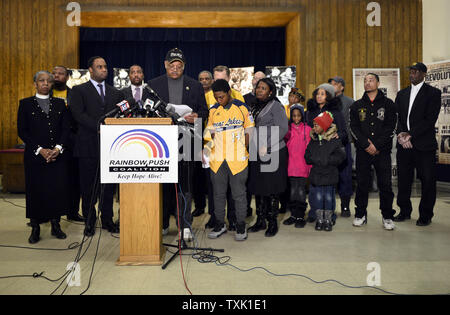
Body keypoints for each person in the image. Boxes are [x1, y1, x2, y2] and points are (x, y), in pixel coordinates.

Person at [147, 48, 208, 240]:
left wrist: (196, 116)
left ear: (184, 66)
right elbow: (147, 112)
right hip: (160, 143)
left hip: (187, 141)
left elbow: (204, 112)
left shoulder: (195, 86)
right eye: (171, 66)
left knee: (185, 185)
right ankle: (163, 223)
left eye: (179, 66)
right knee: (163, 184)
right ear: (165, 65)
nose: (175, 69)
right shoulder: (153, 85)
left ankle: (185, 225)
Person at [69, 56, 124, 237]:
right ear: (91, 70)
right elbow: (78, 114)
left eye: (105, 67)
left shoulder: (115, 93)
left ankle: (107, 220)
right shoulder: (78, 90)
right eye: (99, 67)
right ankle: (90, 222)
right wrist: (99, 127)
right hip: (87, 146)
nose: (104, 70)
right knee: (88, 187)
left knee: (107, 187)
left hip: (110, 148)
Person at [17, 71, 71, 243]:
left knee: (56, 190)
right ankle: (35, 227)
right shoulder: (25, 104)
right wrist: (40, 149)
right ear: (35, 84)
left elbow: (66, 128)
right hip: (35, 156)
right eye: (42, 81)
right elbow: (22, 131)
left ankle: (56, 225)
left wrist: (58, 147)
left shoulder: (60, 104)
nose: (46, 83)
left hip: (57, 155)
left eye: (48, 81)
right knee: (36, 191)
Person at [204, 79, 255, 241]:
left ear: (229, 93)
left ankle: (240, 224)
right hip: (217, 159)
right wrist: (206, 150)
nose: (219, 100)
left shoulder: (242, 107)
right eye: (216, 97)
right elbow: (208, 133)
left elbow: (250, 132)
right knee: (218, 194)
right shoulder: (213, 110)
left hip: (237, 160)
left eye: (221, 97)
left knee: (239, 194)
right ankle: (220, 223)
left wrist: (242, 148)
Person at [394, 62, 442, 226]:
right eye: (411, 71)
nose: (412, 74)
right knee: (403, 180)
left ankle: (425, 215)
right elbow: (397, 118)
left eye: (415, 71)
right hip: (403, 144)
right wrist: (401, 134)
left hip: (424, 145)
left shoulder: (433, 93)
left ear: (423, 74)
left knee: (428, 180)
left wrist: (410, 135)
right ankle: (404, 211)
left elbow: (430, 120)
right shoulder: (402, 94)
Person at [350, 73, 397, 230]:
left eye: (371, 80)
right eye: (365, 81)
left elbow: (391, 127)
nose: (367, 83)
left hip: (382, 152)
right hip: (363, 152)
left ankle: (388, 216)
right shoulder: (356, 106)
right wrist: (365, 144)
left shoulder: (388, 104)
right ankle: (360, 214)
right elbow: (354, 127)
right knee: (362, 184)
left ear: (378, 82)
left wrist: (376, 145)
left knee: (385, 185)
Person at [247, 78, 289, 237]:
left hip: (273, 151)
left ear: (270, 92)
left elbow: (283, 128)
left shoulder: (276, 106)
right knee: (258, 187)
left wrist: (268, 145)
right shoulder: (253, 106)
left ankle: (272, 223)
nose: (259, 90)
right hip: (256, 151)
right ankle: (260, 220)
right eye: (258, 88)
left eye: (263, 88)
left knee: (272, 189)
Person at [305, 83, 347, 222]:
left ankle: (330, 215)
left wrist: (338, 136)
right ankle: (314, 213)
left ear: (329, 96)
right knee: (314, 187)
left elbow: (343, 132)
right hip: (315, 150)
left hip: (329, 150)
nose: (319, 96)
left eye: (322, 94)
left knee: (328, 189)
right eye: (317, 93)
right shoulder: (311, 111)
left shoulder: (336, 112)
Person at [51, 65, 84, 223]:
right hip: (50, 143)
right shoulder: (45, 94)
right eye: (54, 73)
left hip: (70, 143)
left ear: (67, 77)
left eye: (61, 74)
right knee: (50, 182)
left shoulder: (74, 94)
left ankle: (72, 212)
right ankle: (45, 213)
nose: (57, 76)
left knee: (73, 179)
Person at [282, 104, 312, 228]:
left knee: (301, 191)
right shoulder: (288, 131)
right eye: (294, 116)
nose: (296, 118)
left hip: (303, 166)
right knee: (293, 191)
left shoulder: (308, 129)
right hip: (291, 166)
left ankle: (300, 215)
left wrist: (310, 165)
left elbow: (310, 148)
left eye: (298, 115)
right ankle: (293, 215)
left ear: (302, 116)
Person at [329, 76, 354, 217]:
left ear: (342, 87)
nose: (333, 86)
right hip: (327, 144)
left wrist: (347, 137)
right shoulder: (326, 101)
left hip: (344, 143)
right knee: (329, 175)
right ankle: (329, 206)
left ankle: (345, 206)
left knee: (345, 175)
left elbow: (353, 123)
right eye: (331, 84)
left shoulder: (350, 102)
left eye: (336, 84)